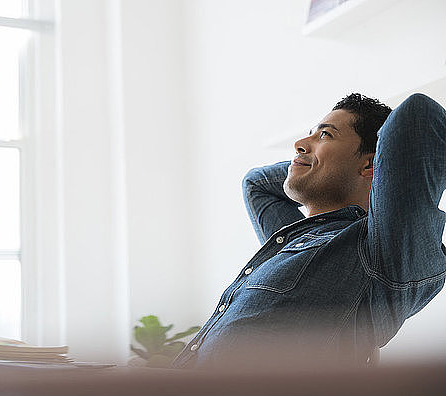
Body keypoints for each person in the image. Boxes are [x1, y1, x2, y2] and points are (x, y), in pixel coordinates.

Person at [172, 93, 446, 369]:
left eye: (325, 135)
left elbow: (417, 117)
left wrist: (362, 171)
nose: (299, 145)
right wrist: (311, 163)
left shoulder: (379, 252)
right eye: (309, 135)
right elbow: (256, 184)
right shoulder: (298, 242)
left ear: (371, 165)